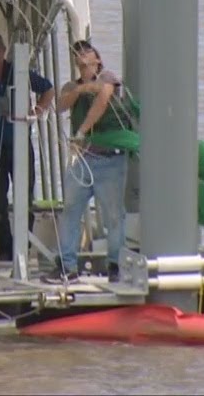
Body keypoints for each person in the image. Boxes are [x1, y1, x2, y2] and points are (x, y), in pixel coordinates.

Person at [46, 39, 133, 284]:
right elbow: (61, 105)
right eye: (78, 53)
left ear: (97, 58)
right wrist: (80, 89)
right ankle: (67, 265)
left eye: (87, 51)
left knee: (113, 216)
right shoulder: (71, 86)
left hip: (110, 160)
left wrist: (82, 131)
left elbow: (103, 98)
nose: (82, 55)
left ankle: (116, 265)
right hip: (83, 161)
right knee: (70, 210)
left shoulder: (108, 77)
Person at [0, 31, 56, 263]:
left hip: (21, 146)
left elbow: (48, 89)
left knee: (26, 198)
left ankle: (23, 246)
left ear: (4, 51)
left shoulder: (18, 71)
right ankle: (5, 250)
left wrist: (38, 111)